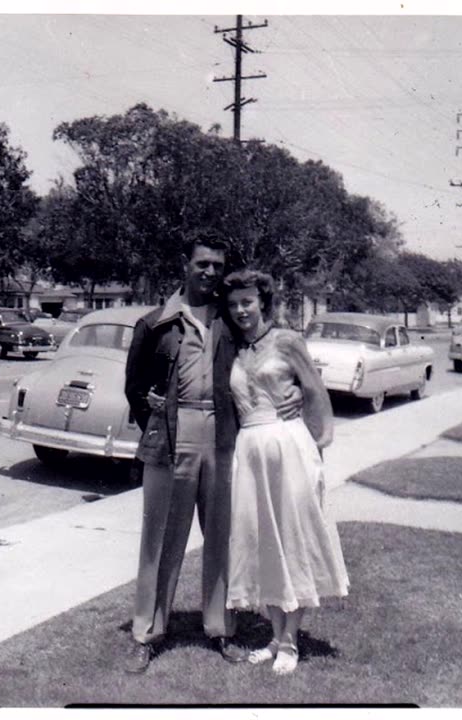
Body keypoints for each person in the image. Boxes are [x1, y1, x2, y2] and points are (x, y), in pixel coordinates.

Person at [120, 231, 301, 674]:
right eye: (203, 263)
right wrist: (161, 425)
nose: (210, 272)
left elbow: (268, 355)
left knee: (221, 536)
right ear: (186, 263)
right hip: (172, 438)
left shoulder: (230, 319)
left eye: (217, 265)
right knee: (159, 539)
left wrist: (294, 391)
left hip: (223, 438)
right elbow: (134, 390)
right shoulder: (155, 323)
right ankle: (147, 632)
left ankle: (220, 628)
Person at [220, 270, 350, 675]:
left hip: (289, 447)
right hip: (251, 450)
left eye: (248, 301)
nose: (241, 310)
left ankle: (292, 640)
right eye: (234, 303)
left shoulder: (288, 340)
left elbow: (314, 388)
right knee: (262, 542)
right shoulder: (234, 348)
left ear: (263, 301)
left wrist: (318, 443)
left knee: (293, 537)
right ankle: (274, 636)